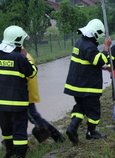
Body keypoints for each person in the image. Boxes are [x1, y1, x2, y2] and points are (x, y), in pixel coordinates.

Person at [64, 19, 112, 145]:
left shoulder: (79, 43)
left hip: (76, 86)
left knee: (80, 107)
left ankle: (72, 128)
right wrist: (106, 48)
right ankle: (91, 132)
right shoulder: (89, 47)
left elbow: (87, 63)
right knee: (94, 110)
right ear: (95, 34)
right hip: (88, 87)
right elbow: (99, 60)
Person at [0, 25, 38, 158]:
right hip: (18, 103)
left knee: (6, 129)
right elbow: (32, 72)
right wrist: (26, 57)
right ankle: (20, 155)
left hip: (1, 104)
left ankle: (9, 152)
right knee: (20, 131)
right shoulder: (19, 58)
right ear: (18, 41)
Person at [20, 48, 65, 143]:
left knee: (35, 118)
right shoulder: (22, 55)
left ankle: (57, 137)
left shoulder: (21, 56)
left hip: (24, 96)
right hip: (24, 94)